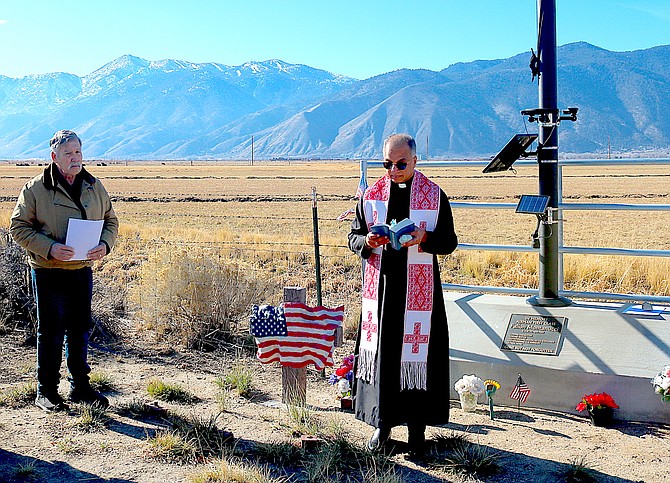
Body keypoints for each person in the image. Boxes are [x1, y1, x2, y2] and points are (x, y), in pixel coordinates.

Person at [348, 133, 457, 458]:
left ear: (414, 161)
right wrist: (367, 242)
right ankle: (382, 425)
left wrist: (426, 237)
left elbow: (449, 242)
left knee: (417, 358)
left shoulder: (434, 196)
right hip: (382, 293)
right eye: (387, 164)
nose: (393, 170)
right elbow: (353, 237)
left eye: (400, 164)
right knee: (384, 358)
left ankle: (417, 432)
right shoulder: (371, 196)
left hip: (419, 293)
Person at [10, 130, 118, 411]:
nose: (75, 158)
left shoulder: (94, 186)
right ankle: (46, 391)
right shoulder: (35, 189)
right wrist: (49, 247)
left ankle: (80, 388)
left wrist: (104, 245)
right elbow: (18, 228)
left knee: (80, 329)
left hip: (82, 269)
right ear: (54, 157)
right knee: (51, 331)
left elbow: (111, 221)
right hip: (48, 270)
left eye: (78, 152)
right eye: (68, 153)